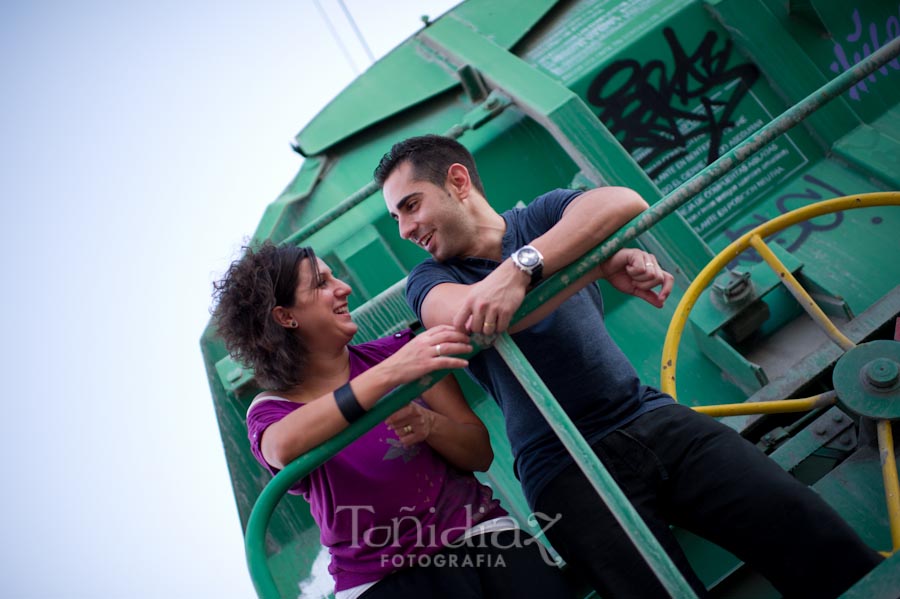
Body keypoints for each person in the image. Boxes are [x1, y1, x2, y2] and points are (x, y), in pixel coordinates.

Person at [374, 134, 883, 598]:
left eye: (410, 207)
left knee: (801, 526)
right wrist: (593, 262)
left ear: (458, 181)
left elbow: (623, 203)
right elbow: (472, 317)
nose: (405, 229)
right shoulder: (427, 280)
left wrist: (521, 267)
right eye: (397, 217)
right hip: (562, 469)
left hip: (647, 415)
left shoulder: (541, 215)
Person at [211, 242, 573, 599]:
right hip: (380, 582)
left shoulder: (405, 352)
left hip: (484, 540)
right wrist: (389, 375)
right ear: (285, 316)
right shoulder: (273, 408)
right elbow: (282, 446)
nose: (344, 287)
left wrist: (430, 425)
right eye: (322, 283)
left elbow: (479, 454)